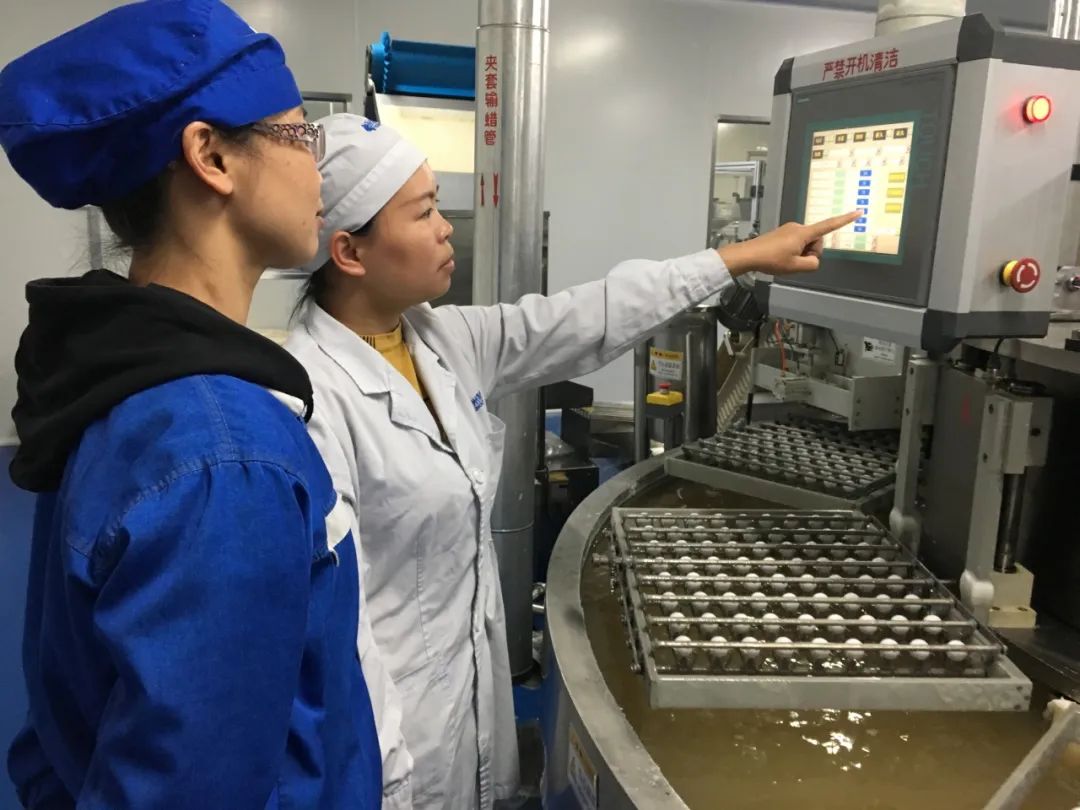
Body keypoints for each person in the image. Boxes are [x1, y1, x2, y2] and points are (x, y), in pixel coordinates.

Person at [285, 113, 859, 809]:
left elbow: (591, 314)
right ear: (349, 251)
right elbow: (335, 630)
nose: (445, 230)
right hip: (387, 739)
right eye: (425, 212)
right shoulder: (305, 400)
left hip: (465, 704)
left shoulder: (440, 338)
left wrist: (739, 258)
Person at [0, 4, 381, 808]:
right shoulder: (223, 456)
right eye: (301, 136)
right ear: (211, 156)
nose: (320, 172)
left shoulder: (113, 379)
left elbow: (59, 728)